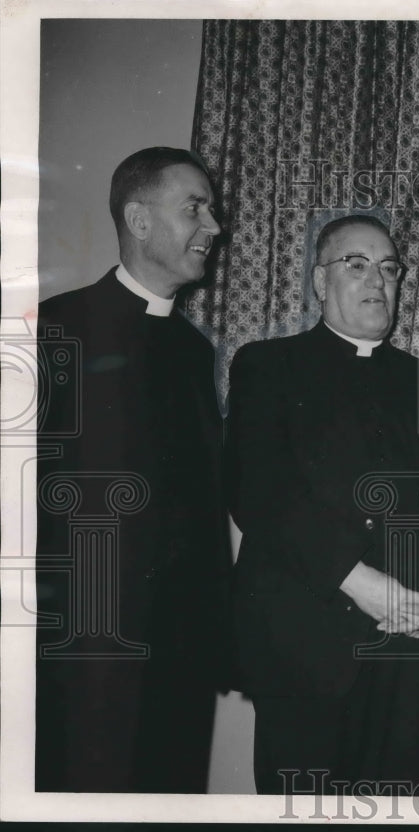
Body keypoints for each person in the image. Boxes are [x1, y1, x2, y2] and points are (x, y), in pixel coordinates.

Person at [226, 214, 419, 795]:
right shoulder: (266, 365)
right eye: (357, 264)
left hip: (411, 659)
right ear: (319, 282)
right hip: (305, 656)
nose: (378, 280)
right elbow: (261, 492)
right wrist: (359, 580)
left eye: (390, 269)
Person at [35, 147, 232, 792]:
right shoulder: (54, 328)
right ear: (139, 221)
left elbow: (202, 506)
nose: (213, 226)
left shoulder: (195, 351)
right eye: (194, 208)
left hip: (180, 649)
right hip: (84, 651)